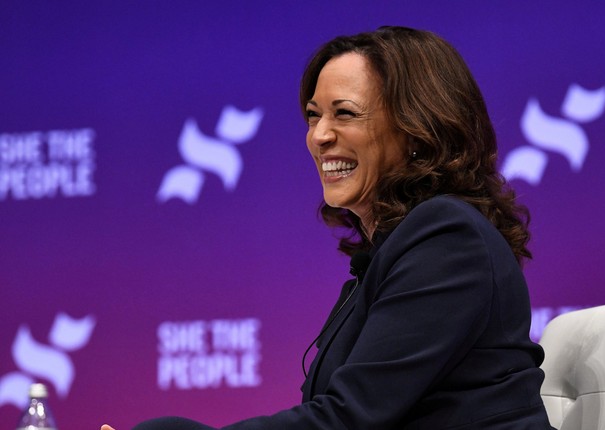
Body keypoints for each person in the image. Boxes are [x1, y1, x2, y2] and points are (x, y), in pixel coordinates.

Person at [108, 26, 552, 429]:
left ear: (418, 130)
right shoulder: (394, 252)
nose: (319, 136)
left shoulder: (447, 237)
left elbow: (347, 419)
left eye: (345, 113)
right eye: (313, 115)